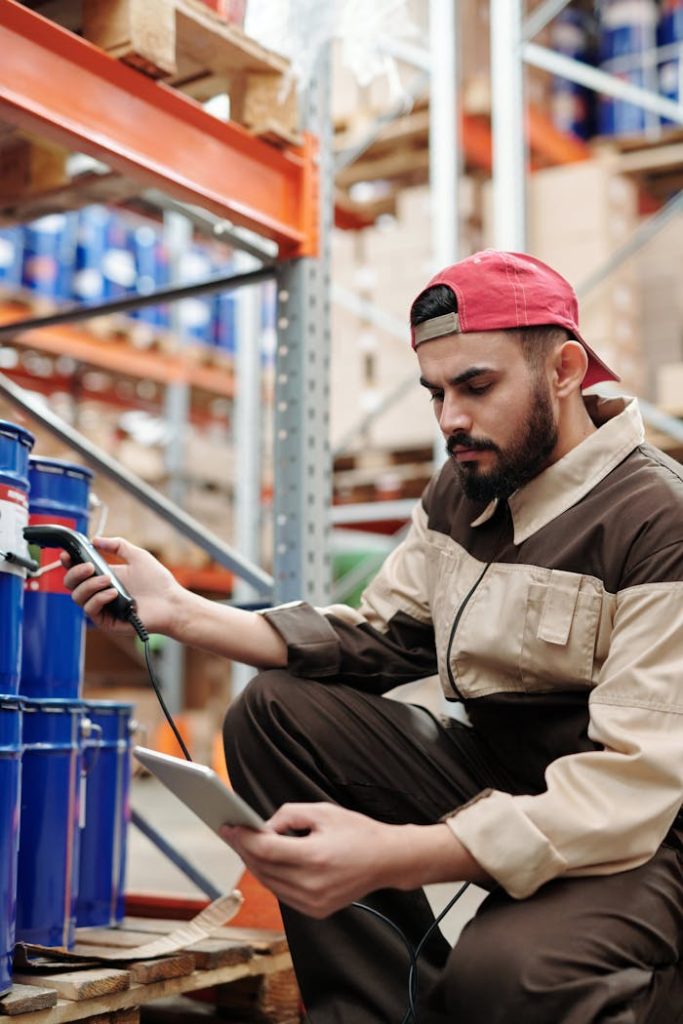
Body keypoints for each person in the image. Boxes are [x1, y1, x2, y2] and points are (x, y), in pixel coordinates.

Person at [65, 250, 683, 1024]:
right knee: (274, 713)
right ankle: (377, 1011)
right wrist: (183, 612)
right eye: (436, 393)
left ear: (562, 370)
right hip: (505, 777)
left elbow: (633, 791)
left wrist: (391, 854)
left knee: (507, 975)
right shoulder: (465, 488)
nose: (450, 418)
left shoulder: (657, 519)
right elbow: (383, 636)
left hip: (644, 835)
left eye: (476, 386)